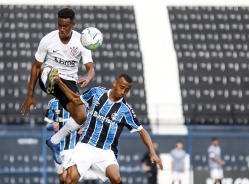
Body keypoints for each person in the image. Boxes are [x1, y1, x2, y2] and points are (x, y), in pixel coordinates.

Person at [52, 73, 163, 184]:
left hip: (106, 150)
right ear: (115, 83)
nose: (123, 92)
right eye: (122, 87)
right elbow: (76, 100)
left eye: (127, 90)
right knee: (70, 179)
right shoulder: (97, 92)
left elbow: (142, 131)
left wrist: (152, 153)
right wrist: (60, 83)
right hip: (86, 144)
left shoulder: (125, 110)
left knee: (115, 177)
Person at [20, 7, 95, 164]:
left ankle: (54, 141)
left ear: (73, 24)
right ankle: (54, 81)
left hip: (68, 81)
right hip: (48, 75)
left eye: (65, 26)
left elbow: (90, 68)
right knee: (52, 74)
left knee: (81, 116)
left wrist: (87, 77)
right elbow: (36, 67)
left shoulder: (81, 42)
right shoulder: (48, 40)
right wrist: (29, 95)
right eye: (59, 25)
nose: (62, 29)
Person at [45, 98, 78, 184]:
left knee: (69, 177)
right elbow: (47, 125)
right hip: (57, 147)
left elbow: (84, 120)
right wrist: (52, 126)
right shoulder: (52, 103)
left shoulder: (75, 101)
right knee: (62, 178)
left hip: (71, 146)